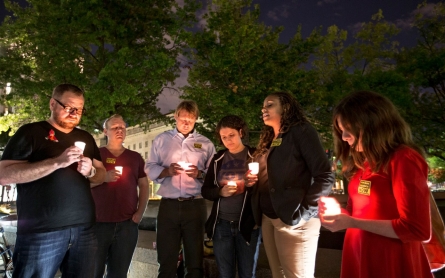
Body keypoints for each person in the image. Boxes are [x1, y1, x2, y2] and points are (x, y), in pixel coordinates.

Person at [319, 91, 432, 278]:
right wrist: (339, 215)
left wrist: (352, 222)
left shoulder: (404, 159)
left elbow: (416, 229)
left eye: (348, 128)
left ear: (373, 124)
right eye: (341, 130)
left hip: (390, 259)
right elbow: (355, 212)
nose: (345, 136)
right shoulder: (363, 164)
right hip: (359, 253)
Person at [0, 84, 106, 278]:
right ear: (52, 103)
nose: (74, 113)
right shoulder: (30, 132)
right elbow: (4, 175)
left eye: (79, 109)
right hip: (40, 232)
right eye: (69, 107)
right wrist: (57, 162)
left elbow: (101, 175)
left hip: (84, 230)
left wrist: (91, 171)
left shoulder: (86, 137)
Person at [246, 91, 334, 277]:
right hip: (269, 218)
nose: (264, 109)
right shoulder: (270, 138)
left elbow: (325, 175)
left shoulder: (302, 131)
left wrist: (303, 214)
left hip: (294, 219)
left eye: (269, 105)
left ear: (285, 107)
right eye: (263, 106)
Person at [146, 100, 216, 277]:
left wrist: (200, 173)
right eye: (183, 118)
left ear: (196, 120)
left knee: (195, 261)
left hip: (195, 205)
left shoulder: (205, 143)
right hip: (168, 205)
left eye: (190, 120)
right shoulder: (162, 140)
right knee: (166, 258)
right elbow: (149, 167)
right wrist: (166, 171)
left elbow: (215, 173)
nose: (186, 123)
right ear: (176, 116)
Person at [201, 115, 261, 278]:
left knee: (247, 273)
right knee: (225, 274)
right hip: (222, 226)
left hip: (248, 225)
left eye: (231, 135)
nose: (228, 140)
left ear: (241, 132)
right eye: (224, 137)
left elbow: (265, 189)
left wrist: (251, 185)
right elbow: (206, 190)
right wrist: (220, 192)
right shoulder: (217, 159)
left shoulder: (255, 155)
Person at [92, 114, 149, 278]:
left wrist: (140, 212)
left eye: (122, 127)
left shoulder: (135, 157)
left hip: (127, 225)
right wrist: (104, 177)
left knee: (119, 273)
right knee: (93, 272)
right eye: (115, 127)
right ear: (105, 131)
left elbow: (144, 185)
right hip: (98, 224)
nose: (119, 130)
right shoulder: (96, 155)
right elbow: (83, 184)